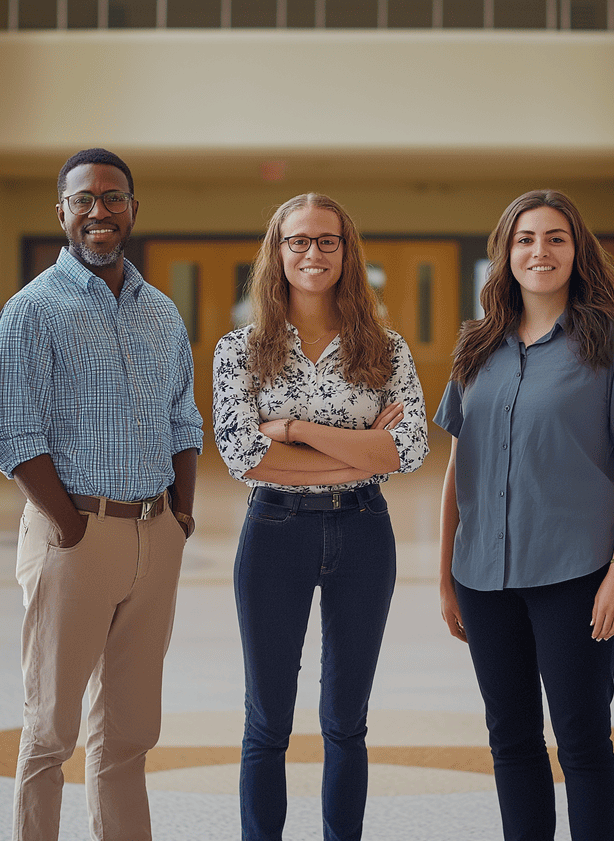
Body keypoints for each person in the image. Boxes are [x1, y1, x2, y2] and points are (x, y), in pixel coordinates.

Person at [0, 147, 202, 841]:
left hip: (155, 534)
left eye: (112, 198)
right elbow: (16, 435)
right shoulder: (32, 311)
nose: (99, 211)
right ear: (62, 212)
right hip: (73, 534)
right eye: (84, 199)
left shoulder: (162, 312)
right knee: (51, 728)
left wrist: (181, 515)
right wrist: (71, 528)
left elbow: (184, 419)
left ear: (133, 209)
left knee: (130, 733)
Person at [433, 189, 614, 841]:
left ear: (576, 249)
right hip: (484, 578)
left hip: (577, 572)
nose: (540, 250)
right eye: (526, 238)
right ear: (505, 253)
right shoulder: (476, 345)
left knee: (583, 738)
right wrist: (447, 575)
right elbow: (459, 465)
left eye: (555, 237)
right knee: (510, 739)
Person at [212, 193, 428, 841]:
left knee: (345, 720)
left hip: (364, 531)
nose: (312, 252)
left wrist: (297, 430)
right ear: (277, 251)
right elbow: (244, 453)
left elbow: (409, 446)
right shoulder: (240, 350)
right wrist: (361, 452)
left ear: (346, 251)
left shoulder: (384, 349)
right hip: (273, 532)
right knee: (267, 720)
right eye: (297, 240)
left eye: (326, 240)